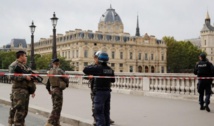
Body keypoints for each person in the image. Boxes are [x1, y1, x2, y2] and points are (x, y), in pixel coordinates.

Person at [83, 51, 115, 126]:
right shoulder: (110, 69)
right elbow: (113, 80)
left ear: (98, 59)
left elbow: (85, 70)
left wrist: (95, 64)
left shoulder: (97, 68)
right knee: (106, 113)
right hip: (107, 93)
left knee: (99, 113)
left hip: (99, 93)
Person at [8, 50, 36, 126]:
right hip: (18, 91)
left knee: (24, 111)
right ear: (21, 56)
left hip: (25, 91)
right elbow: (11, 76)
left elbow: (29, 78)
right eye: (25, 56)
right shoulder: (14, 65)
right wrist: (24, 77)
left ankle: (21, 124)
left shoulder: (24, 66)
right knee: (19, 110)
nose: (26, 57)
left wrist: (32, 90)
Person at [45, 58, 69, 126]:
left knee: (55, 106)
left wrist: (49, 90)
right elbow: (66, 79)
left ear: (53, 64)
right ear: (58, 63)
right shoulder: (60, 71)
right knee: (57, 108)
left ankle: (56, 123)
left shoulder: (50, 71)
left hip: (53, 89)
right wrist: (67, 78)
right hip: (58, 90)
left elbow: (48, 83)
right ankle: (49, 122)